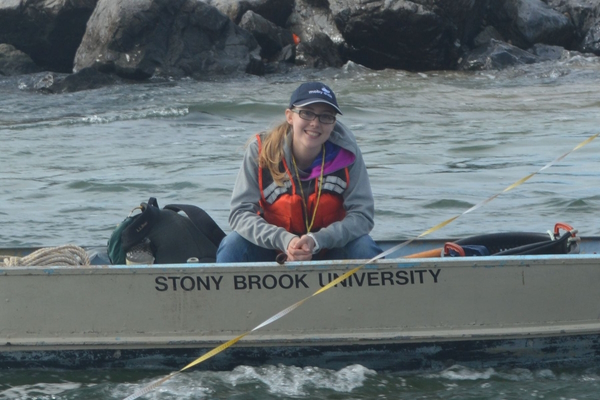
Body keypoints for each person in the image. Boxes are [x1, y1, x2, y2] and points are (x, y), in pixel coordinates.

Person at [216, 82, 382, 262]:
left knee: (364, 246)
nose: (315, 123)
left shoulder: (349, 154)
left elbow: (362, 216)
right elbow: (239, 214)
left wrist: (316, 240)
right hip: (273, 251)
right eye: (307, 113)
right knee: (232, 244)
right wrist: (285, 241)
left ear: (334, 123)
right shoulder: (260, 151)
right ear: (289, 116)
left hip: (329, 250)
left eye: (326, 116)